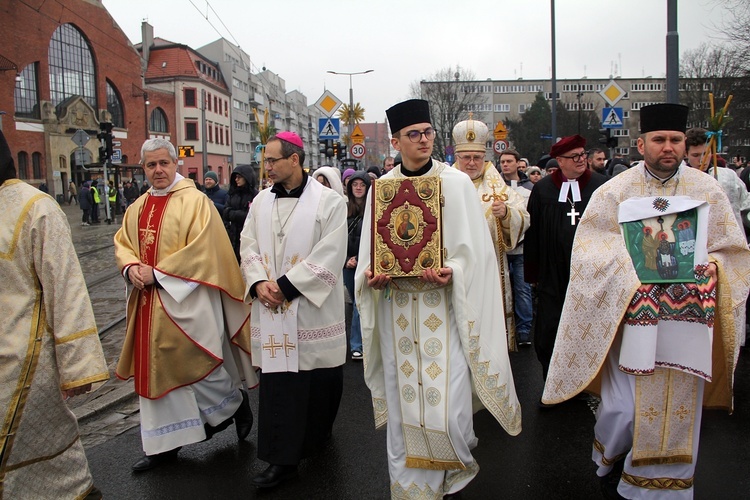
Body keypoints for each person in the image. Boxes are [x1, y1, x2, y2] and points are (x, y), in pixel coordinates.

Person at [542, 103, 750, 499]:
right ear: (641, 144)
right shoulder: (616, 191)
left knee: (680, 410)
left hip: (686, 325)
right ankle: (613, 457)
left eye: (675, 140)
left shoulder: (707, 190)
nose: (668, 147)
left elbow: (733, 251)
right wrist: (632, 269)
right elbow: (588, 251)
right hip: (635, 321)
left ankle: (665, 489)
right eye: (659, 140)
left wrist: (714, 268)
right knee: (623, 409)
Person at [356, 99, 521, 498]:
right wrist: (372, 279)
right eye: (414, 135)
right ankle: (410, 488)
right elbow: (369, 257)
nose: (424, 140)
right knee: (403, 407)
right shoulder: (383, 188)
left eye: (428, 132)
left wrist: (453, 272)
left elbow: (478, 254)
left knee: (448, 409)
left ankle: (452, 470)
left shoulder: (456, 183)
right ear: (396, 141)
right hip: (397, 310)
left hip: (445, 309)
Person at [114, 138, 255, 472]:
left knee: (197, 366)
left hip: (187, 300)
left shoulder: (196, 202)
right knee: (155, 370)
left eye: (163, 163)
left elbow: (204, 251)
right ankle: (162, 446)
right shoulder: (138, 206)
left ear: (175, 162)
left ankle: (234, 405)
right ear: (143, 167)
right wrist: (131, 267)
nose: (158, 171)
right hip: (149, 304)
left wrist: (159, 274)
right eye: (151, 165)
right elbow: (123, 242)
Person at [0, 129, 109, 498]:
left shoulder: (35, 206)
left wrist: (78, 363)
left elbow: (66, 285)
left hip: (26, 360)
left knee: (50, 467)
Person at [239, 131, 347, 489]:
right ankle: (281, 461)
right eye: (264, 161)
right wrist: (257, 283)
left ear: (295, 160)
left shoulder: (329, 202)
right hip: (271, 310)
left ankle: (313, 441)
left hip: (308, 309)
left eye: (272, 160)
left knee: (314, 382)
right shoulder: (260, 202)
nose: (266, 167)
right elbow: (247, 243)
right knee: (280, 387)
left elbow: (330, 253)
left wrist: (284, 287)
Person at [524, 134, 607, 382]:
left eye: (583, 154)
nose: (582, 160)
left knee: (585, 330)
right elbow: (533, 232)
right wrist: (533, 273)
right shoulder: (543, 189)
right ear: (560, 161)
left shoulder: (601, 186)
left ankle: (583, 383)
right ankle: (552, 382)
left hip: (589, 274)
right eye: (575, 156)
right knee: (549, 329)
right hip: (552, 274)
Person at [451, 118, 529, 348]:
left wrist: (506, 213)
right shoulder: (444, 184)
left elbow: (523, 217)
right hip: (455, 266)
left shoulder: (498, 187)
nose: (472, 163)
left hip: (489, 265)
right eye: (466, 157)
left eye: (477, 157)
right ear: (457, 158)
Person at [497, 149, 534, 347]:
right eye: (502, 161)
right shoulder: (494, 188)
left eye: (509, 161)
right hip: (500, 249)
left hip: (521, 249)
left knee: (522, 289)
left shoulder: (529, 188)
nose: (505, 165)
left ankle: (524, 329)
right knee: (500, 289)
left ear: (518, 163)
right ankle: (501, 327)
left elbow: (532, 218)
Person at [685, 127, 750, 228]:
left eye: (706, 154)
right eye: (696, 155)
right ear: (686, 154)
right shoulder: (681, 179)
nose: (702, 160)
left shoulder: (728, 176)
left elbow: (746, 204)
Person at [344, 171, 370, 360]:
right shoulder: (343, 209)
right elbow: (337, 238)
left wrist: (362, 259)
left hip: (366, 263)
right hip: (348, 264)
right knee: (356, 302)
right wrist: (346, 259)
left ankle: (361, 344)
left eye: (362, 184)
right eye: (355, 184)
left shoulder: (373, 208)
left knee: (363, 303)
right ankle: (358, 344)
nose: (359, 187)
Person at [223, 164, 258, 262]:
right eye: (235, 177)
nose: (236, 180)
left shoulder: (255, 195)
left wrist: (232, 214)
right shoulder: (233, 194)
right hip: (232, 235)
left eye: (239, 177)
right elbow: (225, 212)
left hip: (247, 236)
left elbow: (250, 215)